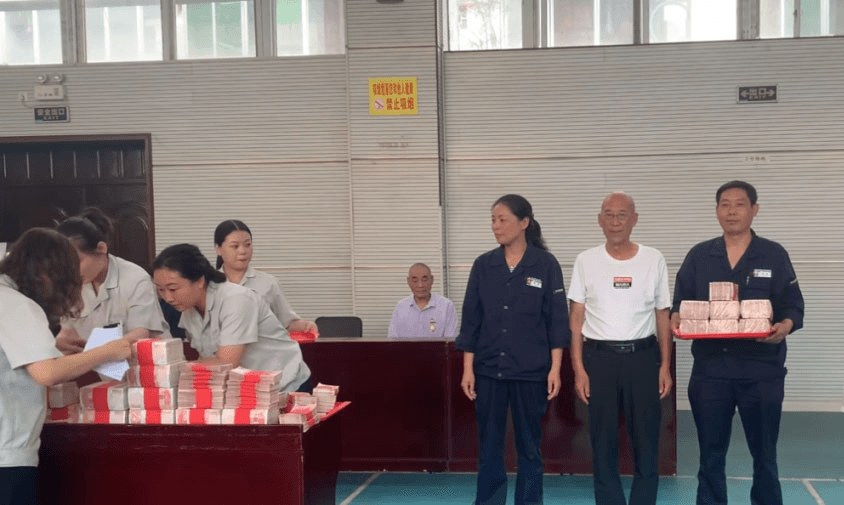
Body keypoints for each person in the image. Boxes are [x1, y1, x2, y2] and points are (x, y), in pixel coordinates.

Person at [670, 181, 804, 505]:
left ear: (754, 210)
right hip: (711, 372)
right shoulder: (700, 255)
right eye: (725, 204)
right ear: (717, 210)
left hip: (761, 371)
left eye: (740, 204)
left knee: (765, 455)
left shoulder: (773, 254)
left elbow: (792, 306)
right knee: (710, 455)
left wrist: (784, 326)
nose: (732, 211)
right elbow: (679, 304)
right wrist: (676, 319)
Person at [0, 228, 133, 505]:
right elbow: (47, 372)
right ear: (48, 275)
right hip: (7, 458)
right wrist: (106, 351)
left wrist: (51, 348)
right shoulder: (17, 305)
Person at [456, 194, 570, 505]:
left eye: (502, 219)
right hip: (489, 370)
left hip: (531, 371)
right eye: (493, 220)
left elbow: (557, 320)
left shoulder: (545, 265)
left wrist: (555, 369)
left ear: (524, 223)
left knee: (529, 447)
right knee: (489, 446)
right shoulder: (484, 265)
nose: (496, 226)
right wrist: (468, 369)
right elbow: (471, 319)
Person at [568, 192, 672, 505]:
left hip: (643, 359)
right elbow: (576, 319)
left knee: (647, 440)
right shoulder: (586, 261)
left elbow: (662, 315)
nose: (615, 221)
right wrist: (578, 369)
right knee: (602, 442)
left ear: (634, 219)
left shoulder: (653, 259)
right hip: (599, 361)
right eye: (609, 214)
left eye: (622, 214)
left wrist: (665, 365)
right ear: (600, 220)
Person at [153, 243, 312, 392]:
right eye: (160, 290)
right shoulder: (188, 309)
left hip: (286, 386)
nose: (168, 298)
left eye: (173, 289)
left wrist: (173, 370)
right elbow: (207, 359)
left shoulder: (237, 300)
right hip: (247, 391)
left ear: (200, 280)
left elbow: (226, 362)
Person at [54, 208, 168, 353]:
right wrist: (60, 341)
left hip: (147, 360)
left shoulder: (135, 278)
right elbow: (67, 331)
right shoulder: (70, 284)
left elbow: (140, 335)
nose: (72, 271)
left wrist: (95, 355)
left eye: (77, 262)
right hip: (97, 363)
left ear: (101, 248)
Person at [214, 220, 318, 333]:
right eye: (235, 246)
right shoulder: (209, 285)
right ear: (218, 249)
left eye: (247, 245)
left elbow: (286, 324)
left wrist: (306, 326)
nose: (242, 251)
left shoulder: (268, 283)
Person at [388, 263, 458, 338]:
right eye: (415, 281)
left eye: (424, 280)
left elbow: (451, 340)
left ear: (432, 280)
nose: (420, 285)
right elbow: (393, 339)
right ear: (408, 282)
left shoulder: (446, 306)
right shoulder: (400, 307)